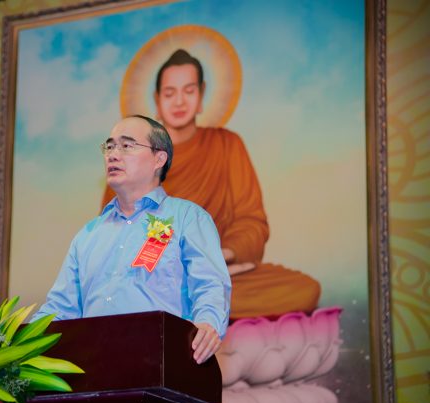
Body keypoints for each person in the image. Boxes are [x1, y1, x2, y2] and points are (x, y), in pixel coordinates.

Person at [102, 49, 320, 320]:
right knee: (139, 294)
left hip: (220, 268)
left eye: (189, 91)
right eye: (169, 93)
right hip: (154, 275)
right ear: (157, 100)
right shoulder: (132, 160)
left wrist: (218, 257)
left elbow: (251, 222)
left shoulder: (227, 145)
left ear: (202, 94)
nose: (179, 101)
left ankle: (184, 304)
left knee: (301, 288)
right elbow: (115, 235)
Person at [32, 115, 231, 366]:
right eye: (109, 147)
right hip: (93, 372)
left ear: (159, 158)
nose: (113, 155)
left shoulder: (187, 218)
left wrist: (208, 324)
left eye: (126, 146)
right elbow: (60, 308)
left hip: (164, 368)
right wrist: (19, 344)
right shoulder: (89, 234)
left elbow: (210, 286)